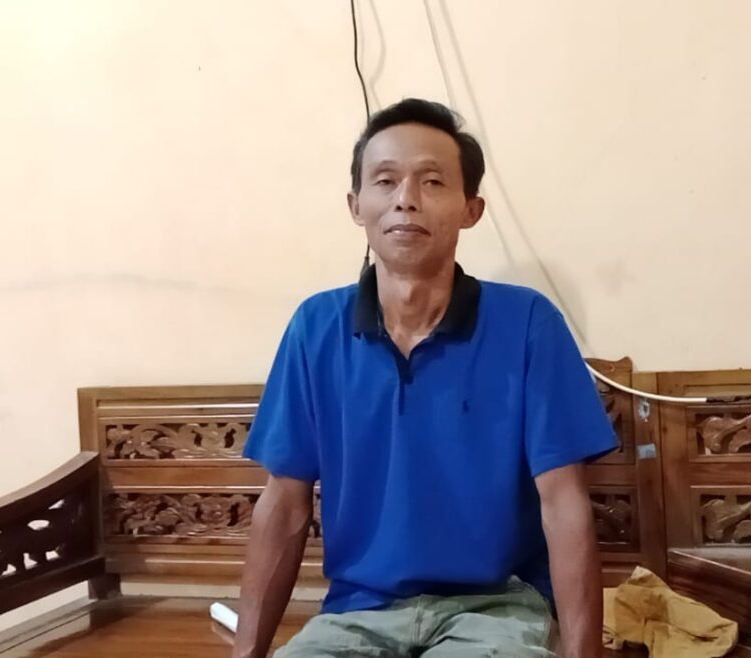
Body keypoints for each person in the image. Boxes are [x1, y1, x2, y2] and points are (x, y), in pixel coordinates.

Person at [233, 98, 617, 658]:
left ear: (470, 209)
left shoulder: (528, 323)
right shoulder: (316, 327)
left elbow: (563, 505)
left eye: (432, 181)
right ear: (356, 205)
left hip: (496, 608)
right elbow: (285, 506)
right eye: (385, 181)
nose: (405, 199)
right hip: (357, 612)